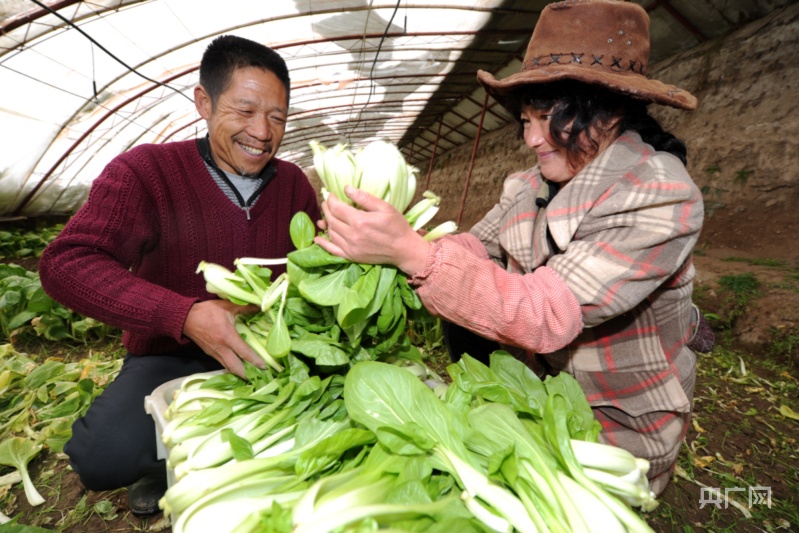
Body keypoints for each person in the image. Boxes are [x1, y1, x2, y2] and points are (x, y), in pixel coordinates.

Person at [314, 0, 709, 496]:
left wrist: (411, 253)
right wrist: (386, 243)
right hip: (530, 402)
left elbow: (548, 312)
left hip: (611, 433)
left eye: (548, 119)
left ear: (608, 112)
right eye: (526, 120)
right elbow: (475, 247)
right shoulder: (529, 185)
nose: (532, 139)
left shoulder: (659, 194)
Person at [38, 35, 321, 516]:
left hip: (272, 355)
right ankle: (169, 459)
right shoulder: (146, 172)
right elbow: (67, 262)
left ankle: (192, 458)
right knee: (100, 456)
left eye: (277, 117)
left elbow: (313, 265)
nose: (262, 131)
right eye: (245, 111)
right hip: (172, 358)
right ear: (204, 103)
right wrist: (184, 315)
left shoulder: (293, 182)